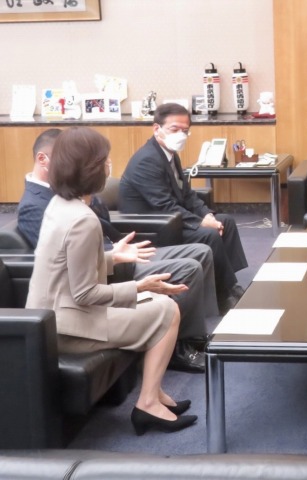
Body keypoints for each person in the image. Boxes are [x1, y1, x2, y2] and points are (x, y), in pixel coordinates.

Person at [25, 126, 197, 435]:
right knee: (167, 310)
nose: (108, 166)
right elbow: (85, 293)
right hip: (68, 328)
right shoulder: (83, 219)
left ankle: (154, 394)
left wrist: (113, 257)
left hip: (53, 316)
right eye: (104, 161)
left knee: (160, 303)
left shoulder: (60, 205)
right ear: (90, 168)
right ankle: (148, 404)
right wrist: (140, 286)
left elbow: (62, 266)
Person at [119, 103, 247, 313]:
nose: (180, 135)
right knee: (209, 234)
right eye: (174, 129)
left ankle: (227, 283)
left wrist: (206, 214)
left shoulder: (169, 154)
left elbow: (186, 194)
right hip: (152, 227)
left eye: (185, 130)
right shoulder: (147, 160)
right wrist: (199, 223)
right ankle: (223, 295)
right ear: (157, 129)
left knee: (225, 222)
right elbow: (163, 205)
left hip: (170, 220)